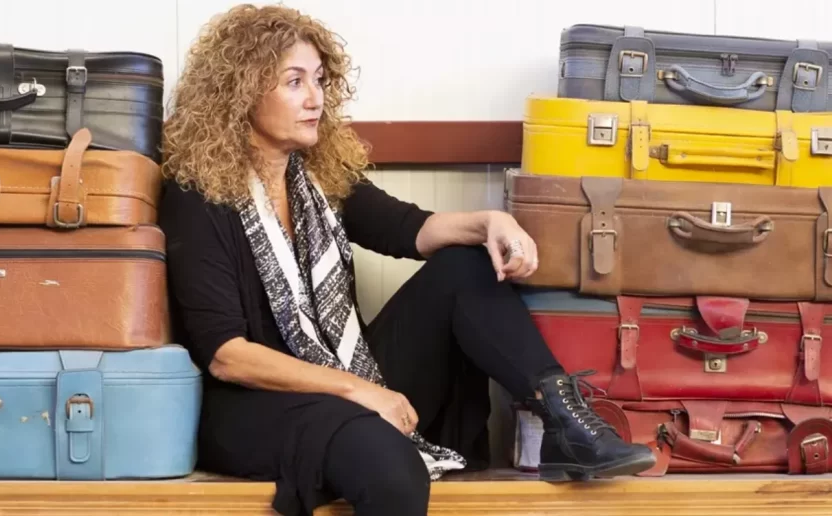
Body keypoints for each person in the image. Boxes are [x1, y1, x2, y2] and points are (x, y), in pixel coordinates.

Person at [158, 4, 656, 516]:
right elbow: (228, 356)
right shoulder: (196, 198)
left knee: (465, 265)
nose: (315, 98)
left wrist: (490, 222)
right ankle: (378, 435)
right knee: (388, 467)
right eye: (294, 82)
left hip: (343, 380)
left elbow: (409, 229)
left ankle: (567, 423)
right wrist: (360, 391)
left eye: (320, 80)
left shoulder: (318, 180)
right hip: (256, 406)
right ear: (241, 93)